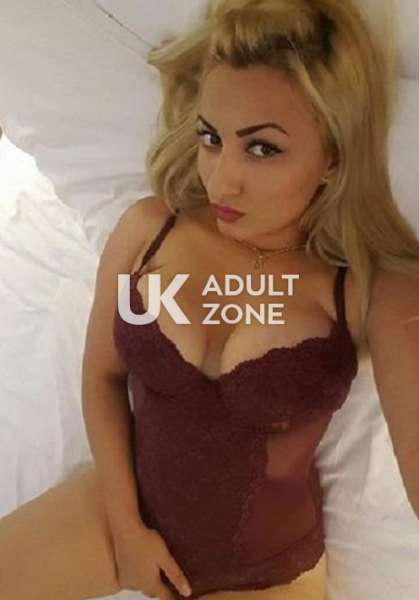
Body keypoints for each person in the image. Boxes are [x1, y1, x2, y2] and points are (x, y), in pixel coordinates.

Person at [1, 1, 419, 600]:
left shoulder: (364, 289)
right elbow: (102, 376)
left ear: (332, 156)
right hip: (119, 513)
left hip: (266, 573)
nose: (221, 180)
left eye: (263, 149)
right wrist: (126, 529)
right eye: (211, 138)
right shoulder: (149, 230)